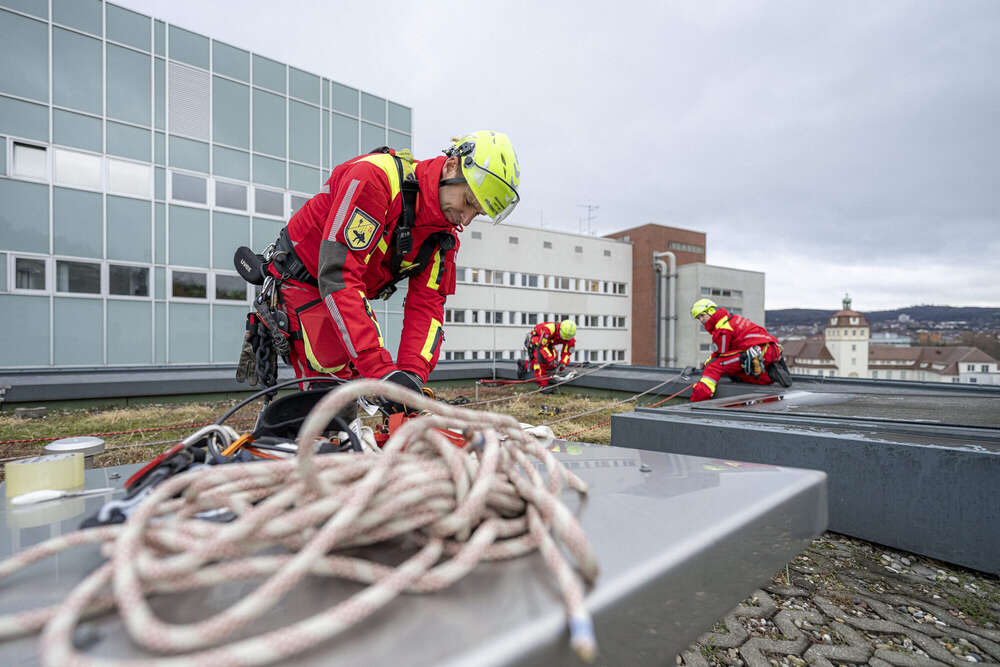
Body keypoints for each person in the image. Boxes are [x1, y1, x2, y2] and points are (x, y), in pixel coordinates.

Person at [243, 131, 520, 398]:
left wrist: (411, 375)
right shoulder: (375, 180)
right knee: (332, 399)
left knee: (365, 394)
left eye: (477, 212)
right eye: (468, 202)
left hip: (340, 294)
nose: (466, 219)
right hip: (304, 281)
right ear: (450, 167)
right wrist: (380, 370)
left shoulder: (442, 237)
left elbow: (427, 306)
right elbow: (339, 274)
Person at [689, 299, 792, 402]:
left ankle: (700, 396)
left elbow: (721, 355)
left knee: (716, 366)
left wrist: (709, 365)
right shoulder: (732, 319)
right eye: (698, 318)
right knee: (735, 375)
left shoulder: (722, 329)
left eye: (702, 315)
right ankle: (770, 375)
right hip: (772, 349)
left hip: (758, 352)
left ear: (711, 311)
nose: (701, 320)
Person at [520, 319, 577, 387]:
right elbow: (542, 346)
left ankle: (526, 365)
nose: (564, 340)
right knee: (540, 362)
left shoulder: (569, 337)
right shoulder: (548, 329)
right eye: (563, 337)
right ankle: (543, 386)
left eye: (566, 339)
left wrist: (563, 363)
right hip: (538, 340)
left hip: (549, 342)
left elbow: (567, 352)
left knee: (552, 365)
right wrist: (550, 359)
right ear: (560, 330)